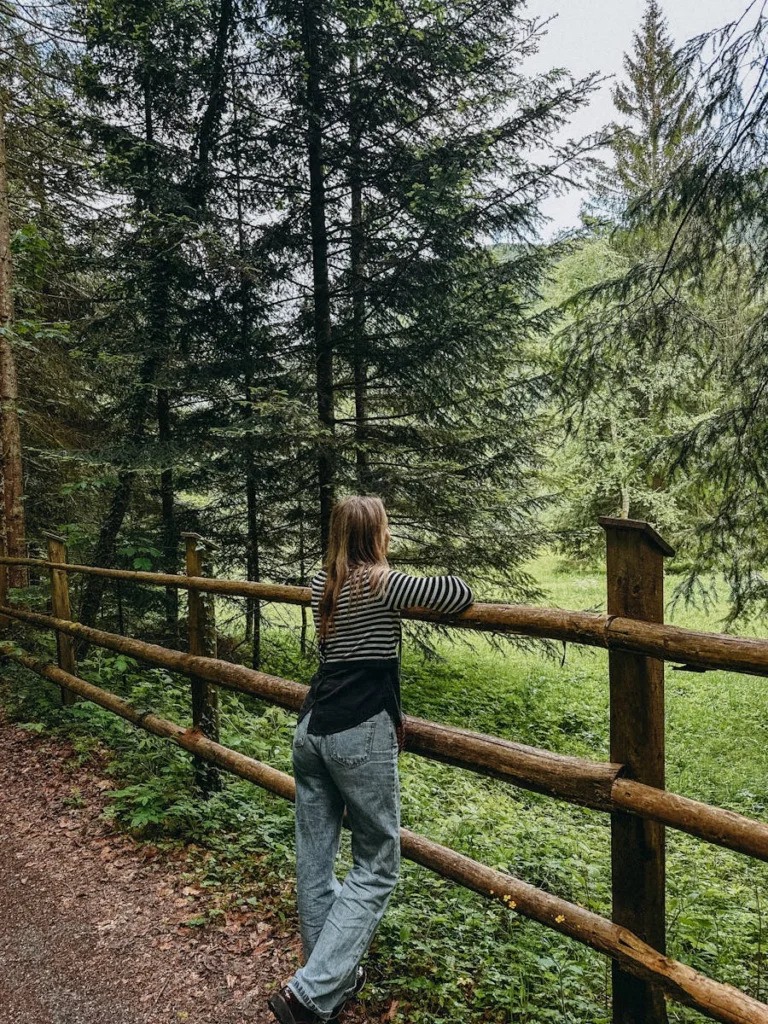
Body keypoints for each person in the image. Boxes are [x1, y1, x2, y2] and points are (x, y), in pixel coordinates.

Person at [268, 496, 474, 1024]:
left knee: (316, 861)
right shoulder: (384, 582)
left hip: (312, 727)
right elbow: (457, 594)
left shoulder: (323, 585)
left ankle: (328, 980)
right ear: (376, 533)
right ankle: (309, 995)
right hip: (356, 732)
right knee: (378, 865)